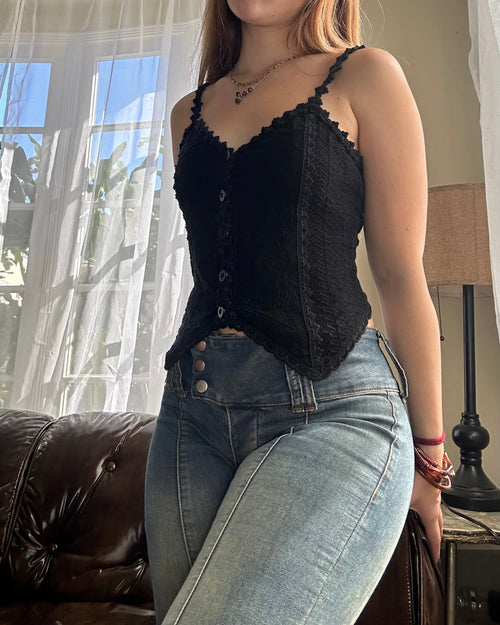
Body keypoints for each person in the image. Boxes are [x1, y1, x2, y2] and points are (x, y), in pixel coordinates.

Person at [145, 1, 452, 623]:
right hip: (190, 419)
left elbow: (400, 277)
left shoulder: (365, 76)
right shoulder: (187, 114)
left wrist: (429, 456)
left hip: (333, 410)